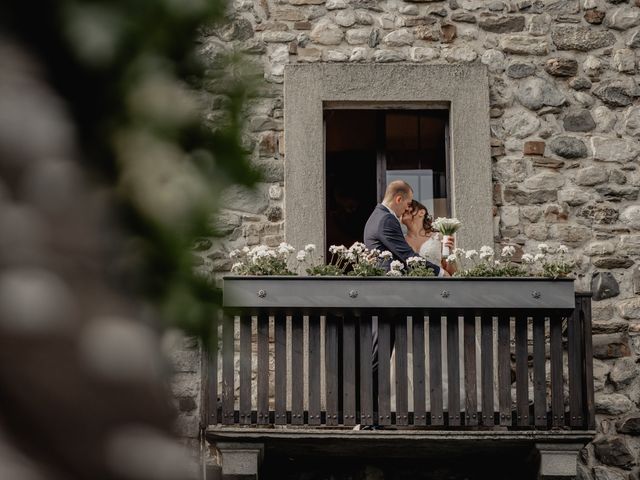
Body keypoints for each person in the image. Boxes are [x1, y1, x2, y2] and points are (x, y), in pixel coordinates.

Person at [363, 180, 444, 276]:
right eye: (408, 204)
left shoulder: (376, 216)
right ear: (399, 199)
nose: (407, 209)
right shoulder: (387, 219)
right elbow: (407, 256)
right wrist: (440, 273)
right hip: (391, 283)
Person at [402, 199, 457, 276]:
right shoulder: (400, 241)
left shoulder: (438, 237)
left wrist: (450, 253)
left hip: (437, 285)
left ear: (422, 212)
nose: (405, 208)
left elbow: (452, 273)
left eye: (409, 206)